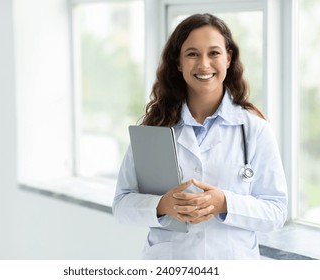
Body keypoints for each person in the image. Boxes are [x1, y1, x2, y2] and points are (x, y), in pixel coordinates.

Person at [112, 13, 287, 259]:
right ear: (178, 63)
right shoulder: (154, 128)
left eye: (214, 53)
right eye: (192, 54)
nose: (204, 64)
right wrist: (162, 205)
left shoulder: (255, 130)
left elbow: (276, 212)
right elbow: (121, 205)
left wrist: (225, 203)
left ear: (228, 58)